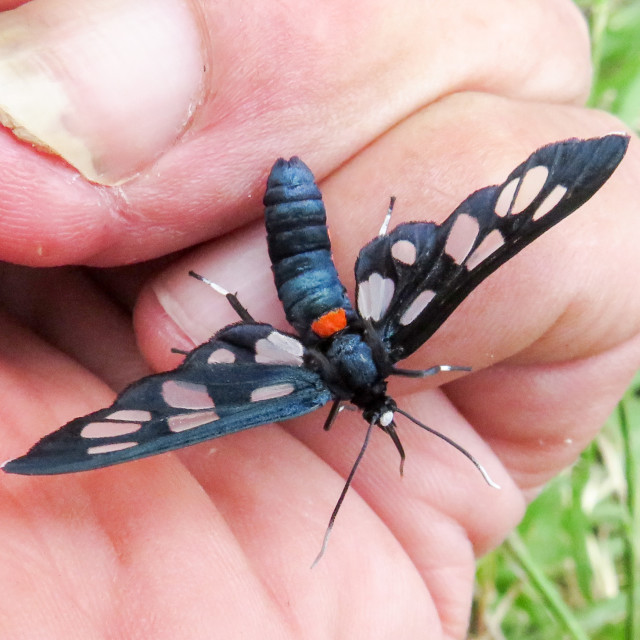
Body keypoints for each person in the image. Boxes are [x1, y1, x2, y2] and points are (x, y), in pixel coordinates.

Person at [0, 0, 638, 637]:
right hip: (299, 251)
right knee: (483, 245)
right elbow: (479, 243)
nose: (375, 408)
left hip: (303, 242)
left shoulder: (363, 354)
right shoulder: (317, 380)